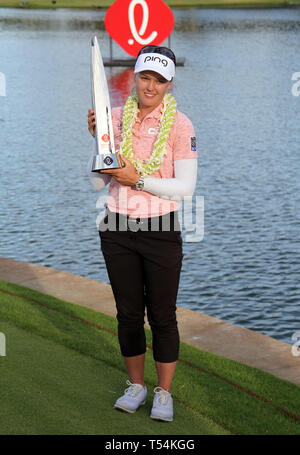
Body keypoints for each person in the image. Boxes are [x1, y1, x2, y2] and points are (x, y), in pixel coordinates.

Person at [87, 45, 197, 422]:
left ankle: (164, 393)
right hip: (116, 225)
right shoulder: (114, 118)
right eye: (145, 77)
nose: (150, 86)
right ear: (135, 77)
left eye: (159, 80)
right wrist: (98, 143)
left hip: (161, 227)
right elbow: (97, 185)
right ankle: (136, 386)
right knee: (128, 314)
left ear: (169, 83)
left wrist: (140, 179)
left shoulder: (181, 125)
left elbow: (185, 187)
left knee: (163, 315)